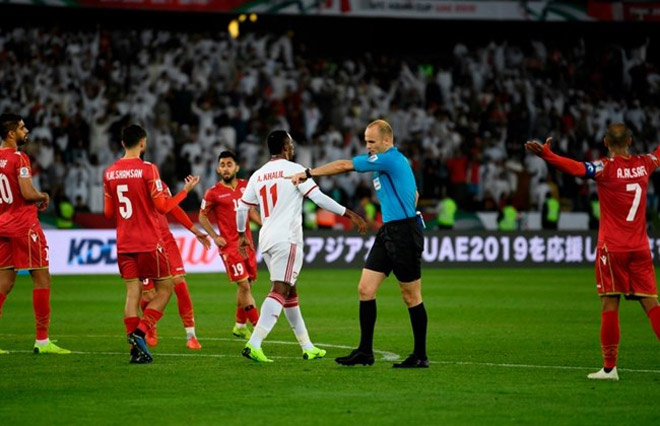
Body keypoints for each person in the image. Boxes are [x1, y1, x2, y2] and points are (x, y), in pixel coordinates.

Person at [289, 119, 429, 368]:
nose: (368, 146)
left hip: (404, 232)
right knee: (365, 288)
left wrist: (308, 173)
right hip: (389, 230)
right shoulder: (388, 164)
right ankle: (365, 351)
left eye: (372, 142)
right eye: (366, 141)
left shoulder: (389, 159)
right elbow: (415, 194)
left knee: (410, 295)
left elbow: (344, 165)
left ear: (387, 141)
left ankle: (420, 355)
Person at [525, 123, 660, 381]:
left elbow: (576, 168)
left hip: (612, 249)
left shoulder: (604, 168)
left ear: (605, 143)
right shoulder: (646, 163)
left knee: (610, 303)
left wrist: (547, 155)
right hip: (640, 248)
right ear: (630, 142)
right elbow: (659, 153)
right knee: (652, 303)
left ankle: (609, 369)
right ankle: (609, 369)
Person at [237, 130, 367, 363]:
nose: (293, 147)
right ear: (286, 147)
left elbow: (242, 208)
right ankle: (254, 344)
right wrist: (349, 214)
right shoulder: (294, 170)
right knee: (280, 289)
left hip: (266, 239)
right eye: (291, 143)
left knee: (290, 292)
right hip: (287, 239)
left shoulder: (258, 175)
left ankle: (307, 346)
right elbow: (318, 198)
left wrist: (241, 235)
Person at [103, 124, 200, 364]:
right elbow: (163, 207)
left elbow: (107, 213)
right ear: (143, 143)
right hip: (148, 242)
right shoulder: (148, 169)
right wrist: (185, 191)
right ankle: (140, 332)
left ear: (123, 143)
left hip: (124, 243)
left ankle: (134, 350)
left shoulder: (109, 172)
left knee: (132, 293)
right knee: (166, 289)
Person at [0, 113, 70, 355]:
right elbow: (27, 193)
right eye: (21, 128)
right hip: (23, 226)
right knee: (42, 279)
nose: (26, 130)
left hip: (2, 226)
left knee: (4, 284)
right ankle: (42, 340)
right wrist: (43, 197)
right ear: (11, 134)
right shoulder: (19, 158)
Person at [140, 179, 211, 350]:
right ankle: (149, 327)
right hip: (145, 242)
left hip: (166, 240)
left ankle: (191, 335)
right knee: (148, 293)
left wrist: (195, 231)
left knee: (180, 283)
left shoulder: (160, 184)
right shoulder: (132, 185)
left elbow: (172, 208)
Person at [198, 151, 262, 339]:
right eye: (222, 165)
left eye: (229, 164)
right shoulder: (213, 192)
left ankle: (240, 325)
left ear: (236, 167)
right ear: (218, 169)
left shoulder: (245, 186)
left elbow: (251, 211)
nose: (225, 168)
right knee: (244, 287)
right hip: (230, 247)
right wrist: (214, 236)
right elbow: (202, 216)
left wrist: (266, 225)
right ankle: (259, 327)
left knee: (247, 285)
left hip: (246, 244)